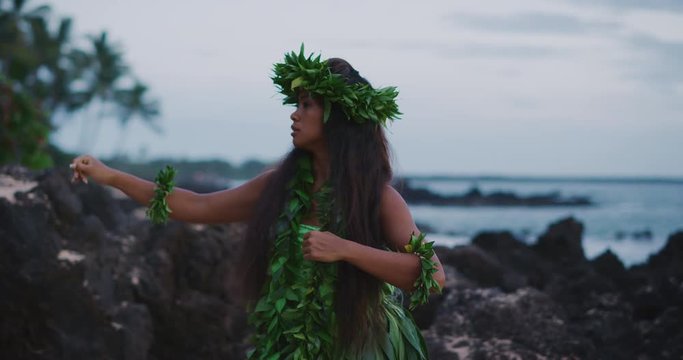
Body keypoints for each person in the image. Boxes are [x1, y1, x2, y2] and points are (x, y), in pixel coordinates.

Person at [71, 46, 446, 359]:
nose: (294, 114)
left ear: (339, 118)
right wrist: (112, 177)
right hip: (291, 343)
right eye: (297, 104)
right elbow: (196, 206)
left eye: (307, 105)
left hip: (361, 344)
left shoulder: (379, 198)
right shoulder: (277, 186)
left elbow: (433, 277)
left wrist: (345, 249)